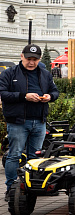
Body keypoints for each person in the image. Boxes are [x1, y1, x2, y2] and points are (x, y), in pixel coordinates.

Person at [0, 44, 60, 201]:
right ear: (21, 57)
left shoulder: (45, 74)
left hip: (39, 121)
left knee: (35, 157)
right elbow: (3, 93)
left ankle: (32, 188)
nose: (31, 62)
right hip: (18, 121)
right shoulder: (9, 73)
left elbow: (55, 91)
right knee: (15, 155)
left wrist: (50, 97)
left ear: (39, 59)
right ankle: (11, 188)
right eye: (28, 59)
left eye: (35, 59)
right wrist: (23, 96)